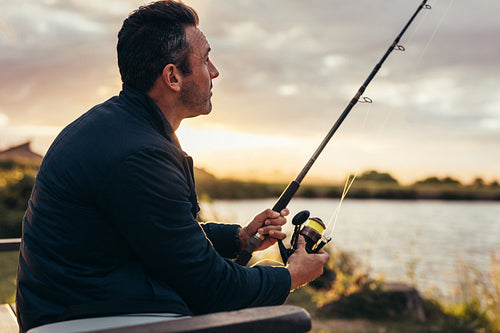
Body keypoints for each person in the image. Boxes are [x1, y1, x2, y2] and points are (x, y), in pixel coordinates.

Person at [15, 1, 329, 331]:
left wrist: (237, 237)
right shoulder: (139, 155)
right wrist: (291, 275)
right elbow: (215, 289)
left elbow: (162, 236)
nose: (214, 71)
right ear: (173, 76)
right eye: (206, 59)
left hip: (82, 306)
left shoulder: (123, 129)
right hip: (84, 320)